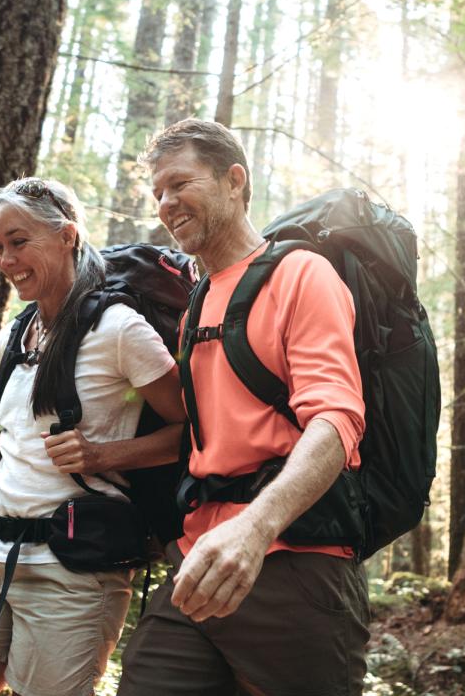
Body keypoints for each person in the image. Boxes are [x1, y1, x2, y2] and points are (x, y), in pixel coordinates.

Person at [118, 119, 370, 696]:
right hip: (198, 559)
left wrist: (255, 528)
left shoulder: (301, 273)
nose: (166, 203)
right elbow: (197, 436)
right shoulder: (196, 304)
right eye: (157, 192)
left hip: (296, 560)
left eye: (181, 183)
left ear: (235, 180)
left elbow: (337, 418)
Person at [0, 177, 186, 696]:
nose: (6, 260)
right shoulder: (13, 334)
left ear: (67, 236)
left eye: (19, 241)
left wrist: (104, 453)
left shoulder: (121, 329)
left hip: (74, 572)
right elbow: (19, 430)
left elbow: (193, 432)